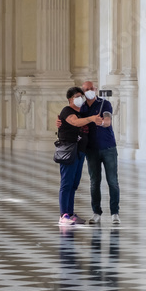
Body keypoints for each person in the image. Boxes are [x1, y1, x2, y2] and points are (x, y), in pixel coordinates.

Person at [57, 81, 121, 225]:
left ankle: (115, 213)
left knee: (112, 181)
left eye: (91, 88)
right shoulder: (82, 107)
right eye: (86, 90)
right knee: (93, 182)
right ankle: (95, 213)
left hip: (108, 147)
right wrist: (60, 120)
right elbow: (72, 120)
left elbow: (108, 120)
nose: (89, 91)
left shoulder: (104, 104)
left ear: (95, 89)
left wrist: (103, 122)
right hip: (89, 149)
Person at [57, 87, 103, 226]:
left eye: (81, 96)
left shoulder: (82, 112)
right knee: (66, 183)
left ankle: (70, 213)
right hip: (69, 151)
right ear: (70, 99)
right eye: (77, 96)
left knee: (74, 184)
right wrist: (91, 119)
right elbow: (75, 122)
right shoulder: (67, 111)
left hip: (80, 151)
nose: (80, 99)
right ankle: (63, 215)